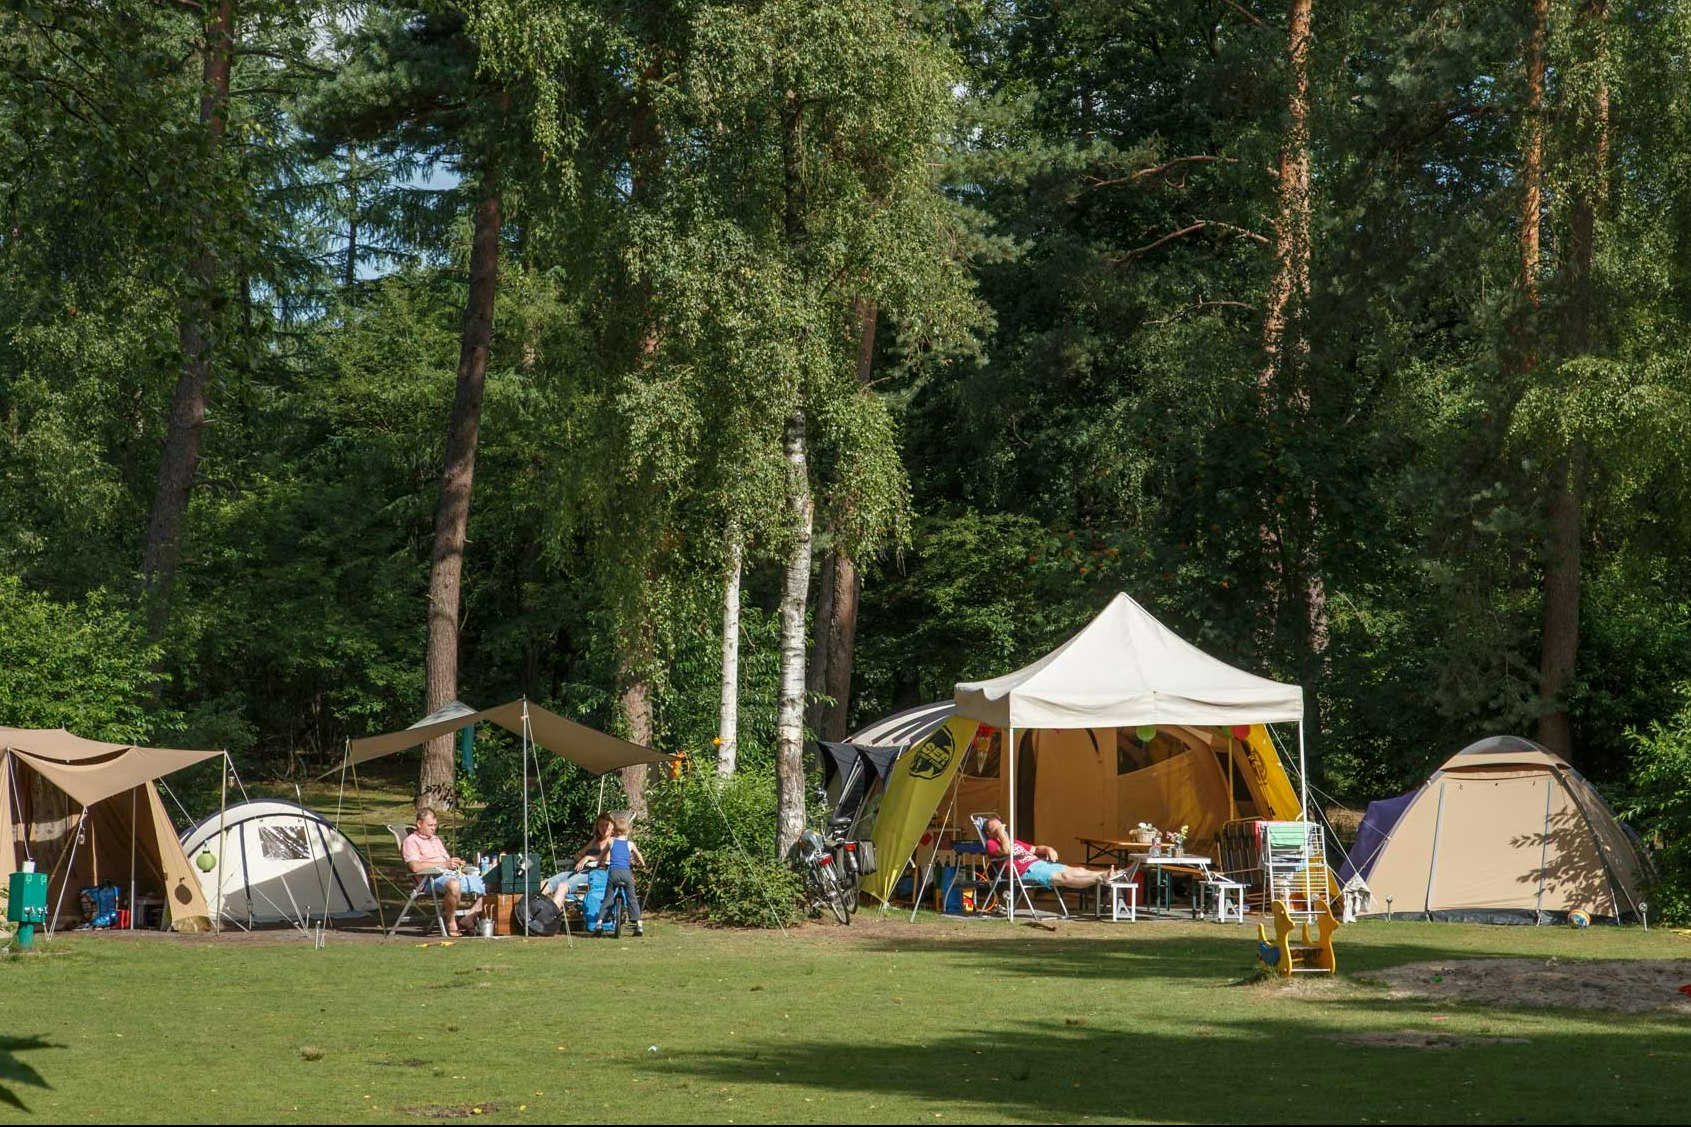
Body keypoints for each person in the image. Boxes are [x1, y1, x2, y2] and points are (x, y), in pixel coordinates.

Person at [402, 807, 485, 936]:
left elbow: (446, 861)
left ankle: (468, 918)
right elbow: (415, 867)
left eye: (435, 825)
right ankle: (451, 922)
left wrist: (456, 864)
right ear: (419, 824)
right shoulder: (410, 842)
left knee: (491, 883)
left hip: (451, 874)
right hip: (431, 879)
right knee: (454, 885)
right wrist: (445, 864)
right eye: (430, 825)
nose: (433, 828)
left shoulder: (435, 839)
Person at [981, 816, 1122, 889]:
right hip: (1026, 871)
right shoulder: (991, 844)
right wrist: (1002, 835)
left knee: (1079, 870)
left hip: (1040, 863)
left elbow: (1035, 849)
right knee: (1065, 877)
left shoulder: (1014, 841)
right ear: (989, 833)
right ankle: (1102, 879)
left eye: (1001, 827)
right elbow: (1006, 851)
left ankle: (1114, 874)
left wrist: (1048, 849)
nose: (1001, 830)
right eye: (996, 829)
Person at [544, 813, 616, 911]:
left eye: (607, 825)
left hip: (594, 874)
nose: (604, 828)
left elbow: (609, 858)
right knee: (545, 884)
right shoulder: (595, 840)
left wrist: (588, 858)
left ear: (612, 826)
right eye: (601, 825)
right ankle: (527, 913)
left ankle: (550, 918)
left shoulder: (613, 841)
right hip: (579, 871)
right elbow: (577, 855)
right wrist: (583, 858)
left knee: (562, 887)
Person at [597, 813, 645, 937]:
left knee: (608, 897)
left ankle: (600, 922)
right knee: (632, 898)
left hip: (613, 873)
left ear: (614, 831)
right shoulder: (630, 844)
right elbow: (638, 855)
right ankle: (638, 924)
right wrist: (642, 864)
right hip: (626, 873)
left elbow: (602, 854)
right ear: (628, 831)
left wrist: (599, 862)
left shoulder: (611, 842)